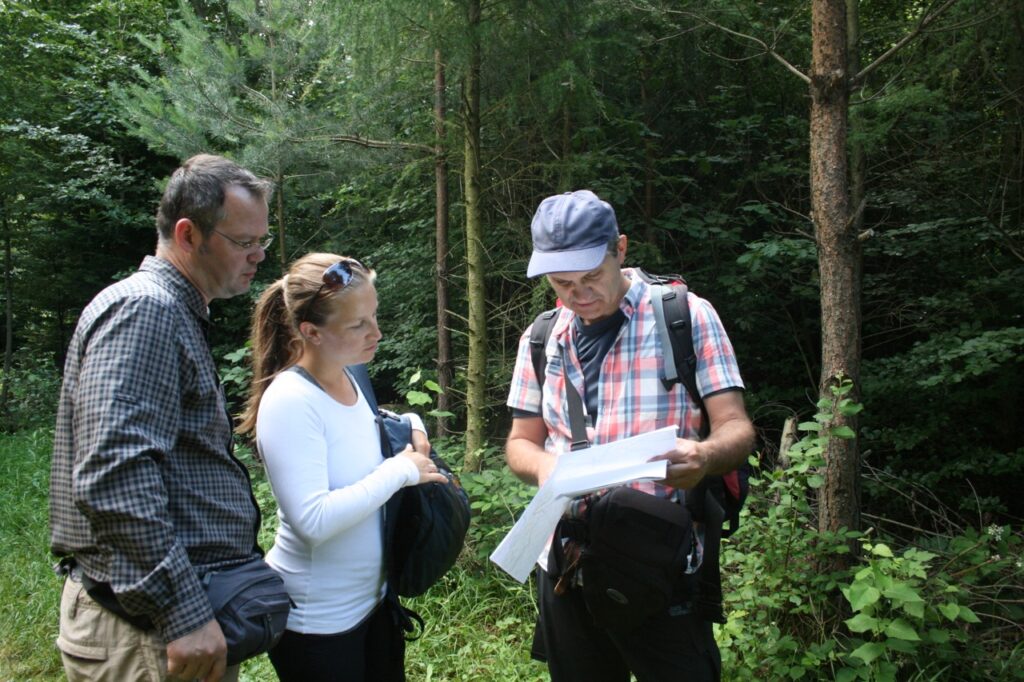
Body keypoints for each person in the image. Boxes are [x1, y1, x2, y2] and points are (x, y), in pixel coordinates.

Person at [504, 190, 756, 682]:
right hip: (565, 561)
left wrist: (703, 457)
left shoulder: (684, 316)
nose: (578, 295)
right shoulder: (540, 337)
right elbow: (520, 442)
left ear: (619, 248)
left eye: (592, 277)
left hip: (659, 559)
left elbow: (737, 427)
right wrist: (543, 467)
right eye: (562, 282)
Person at [49, 154, 274, 682]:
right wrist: (184, 614)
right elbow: (114, 475)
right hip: (147, 632)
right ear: (187, 234)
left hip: (163, 626)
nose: (259, 255)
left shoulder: (171, 311)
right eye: (244, 242)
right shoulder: (145, 311)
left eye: (261, 240)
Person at [236, 252, 447, 682]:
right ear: (311, 332)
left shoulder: (351, 373)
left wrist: (413, 423)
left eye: (374, 315)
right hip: (319, 626)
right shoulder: (291, 401)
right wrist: (401, 471)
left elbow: (364, 425)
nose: (377, 333)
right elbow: (313, 519)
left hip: (373, 606)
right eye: (358, 325)